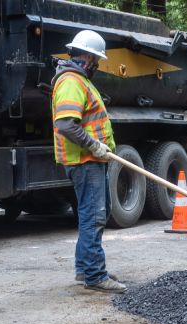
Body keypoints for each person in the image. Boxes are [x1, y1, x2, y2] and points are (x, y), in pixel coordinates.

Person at [51, 30, 125, 293]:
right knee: (93, 217)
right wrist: (94, 145)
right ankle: (95, 276)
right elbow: (66, 125)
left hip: (91, 159)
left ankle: (86, 269)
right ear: (88, 56)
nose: (97, 64)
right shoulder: (71, 81)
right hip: (85, 159)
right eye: (96, 59)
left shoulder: (80, 79)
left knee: (92, 216)